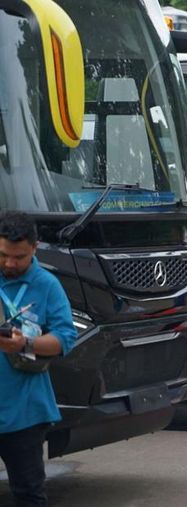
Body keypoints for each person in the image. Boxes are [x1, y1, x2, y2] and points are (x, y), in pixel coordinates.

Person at [0, 211, 77, 505]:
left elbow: (65, 339)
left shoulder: (47, 285)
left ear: (35, 247)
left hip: (26, 412)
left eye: (18, 257)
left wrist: (25, 343)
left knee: (29, 494)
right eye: (3, 255)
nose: (10, 263)